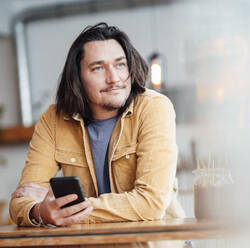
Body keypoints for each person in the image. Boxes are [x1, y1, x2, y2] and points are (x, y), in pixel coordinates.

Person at [9, 22, 185, 227]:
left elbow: (150, 203)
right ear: (77, 78)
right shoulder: (54, 119)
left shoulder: (154, 108)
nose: (114, 78)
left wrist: (68, 210)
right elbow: (21, 200)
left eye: (120, 64)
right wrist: (40, 211)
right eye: (98, 68)